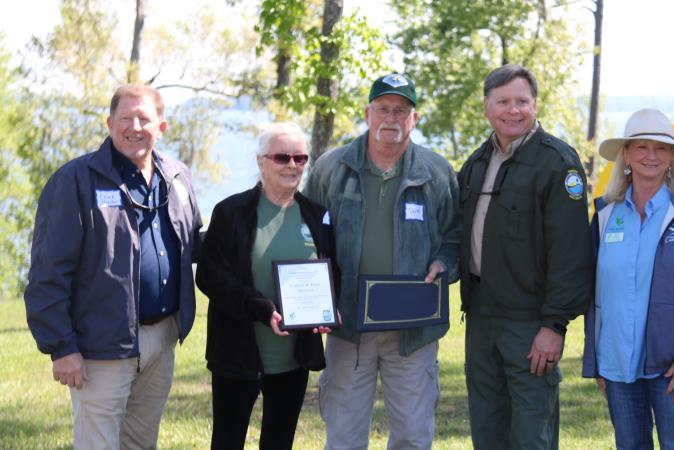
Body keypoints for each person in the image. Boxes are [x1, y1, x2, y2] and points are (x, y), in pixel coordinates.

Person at [24, 84, 203, 449]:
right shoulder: (74, 181)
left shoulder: (177, 176)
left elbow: (194, 244)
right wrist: (61, 347)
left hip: (162, 337)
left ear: (162, 127)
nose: (135, 127)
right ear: (109, 124)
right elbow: (48, 273)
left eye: (144, 119)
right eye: (126, 118)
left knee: (140, 442)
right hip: (100, 343)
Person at [303, 73, 460, 449]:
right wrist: (315, 299)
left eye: (402, 111)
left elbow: (456, 236)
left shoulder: (437, 173)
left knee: (412, 435)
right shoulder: (332, 168)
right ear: (367, 113)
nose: (392, 118)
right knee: (344, 435)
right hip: (347, 327)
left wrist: (443, 263)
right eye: (384, 109)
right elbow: (307, 234)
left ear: (414, 119)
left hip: (412, 331)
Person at [457, 64, 593, 449]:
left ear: (535, 105)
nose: (512, 110)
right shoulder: (478, 162)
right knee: (488, 427)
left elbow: (571, 253)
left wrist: (555, 326)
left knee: (531, 431)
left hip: (531, 323)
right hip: (481, 319)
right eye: (503, 102)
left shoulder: (557, 163)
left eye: (522, 101)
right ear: (487, 107)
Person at [582, 108, 674, 450]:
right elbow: (593, 295)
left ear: (672, 158)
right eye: (641, 147)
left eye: (661, 148)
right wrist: (597, 361)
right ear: (626, 155)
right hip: (617, 364)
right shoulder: (604, 215)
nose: (651, 156)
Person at [196, 123, 337, 450]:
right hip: (237, 353)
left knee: (279, 443)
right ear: (261, 161)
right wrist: (260, 308)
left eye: (300, 158)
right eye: (282, 157)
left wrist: (328, 309)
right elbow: (210, 276)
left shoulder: (317, 216)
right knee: (227, 442)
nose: (292, 165)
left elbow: (331, 270)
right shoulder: (231, 212)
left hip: (293, 358)